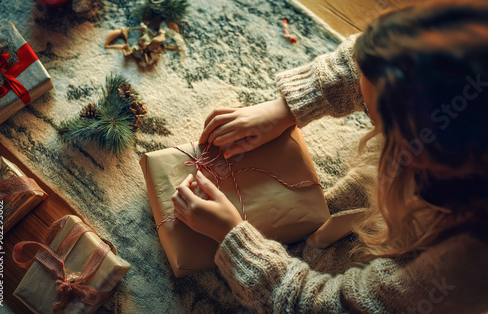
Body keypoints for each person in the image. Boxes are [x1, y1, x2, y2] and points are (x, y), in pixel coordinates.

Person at [171, 0, 488, 312]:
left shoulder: (463, 264)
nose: (369, 123)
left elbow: (332, 307)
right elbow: (375, 59)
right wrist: (285, 108)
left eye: (374, 119)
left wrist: (232, 238)